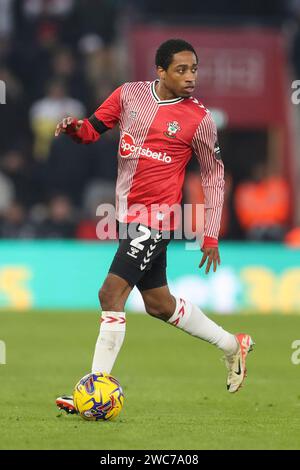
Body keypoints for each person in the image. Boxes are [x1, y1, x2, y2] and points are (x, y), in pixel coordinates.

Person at [54, 39, 254, 414]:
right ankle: (233, 345)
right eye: (181, 70)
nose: (190, 77)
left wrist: (210, 233)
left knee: (110, 294)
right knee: (160, 305)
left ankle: (94, 392)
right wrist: (74, 128)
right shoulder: (128, 96)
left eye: (194, 69)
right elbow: (93, 130)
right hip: (127, 217)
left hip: (159, 219)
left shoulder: (200, 119)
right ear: (159, 71)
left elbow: (213, 177)